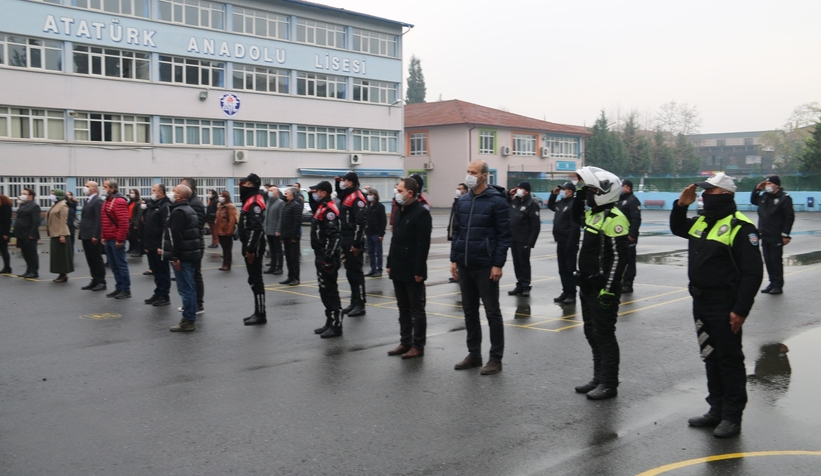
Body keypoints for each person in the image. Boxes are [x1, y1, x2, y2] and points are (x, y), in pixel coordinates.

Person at [671, 172, 763, 438]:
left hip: (725, 304)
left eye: (708, 192)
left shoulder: (740, 227)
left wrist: (741, 310)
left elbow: (752, 273)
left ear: (724, 195)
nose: (703, 196)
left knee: (729, 359)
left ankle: (732, 416)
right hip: (701, 301)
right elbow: (679, 228)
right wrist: (681, 205)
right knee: (710, 355)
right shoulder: (702, 221)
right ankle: (716, 409)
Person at [572, 166, 630, 400]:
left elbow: (619, 258)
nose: (588, 193)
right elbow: (575, 216)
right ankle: (598, 377)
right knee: (591, 332)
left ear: (606, 191)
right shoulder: (593, 214)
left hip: (602, 288)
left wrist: (609, 290)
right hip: (586, 284)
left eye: (591, 189)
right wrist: (578, 190)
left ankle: (609, 383)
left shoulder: (616, 219)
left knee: (604, 334)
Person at [450, 160, 511, 375]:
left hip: (485, 266)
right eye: (467, 171)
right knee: (469, 311)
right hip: (465, 264)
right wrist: (454, 259)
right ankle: (474, 354)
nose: (469, 175)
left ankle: (495, 358)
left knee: (492, 312)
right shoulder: (463, 200)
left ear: (484, 175)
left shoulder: (497, 201)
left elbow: (504, 236)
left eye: (473, 172)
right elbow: (457, 232)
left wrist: (497, 264)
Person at [386, 177, 432, 358]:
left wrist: (419, 271)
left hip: (413, 269)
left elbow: (423, 245)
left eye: (399, 190)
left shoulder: (421, 214)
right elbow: (395, 240)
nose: (397, 194)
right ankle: (405, 342)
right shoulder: (399, 211)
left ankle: (418, 345)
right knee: (403, 307)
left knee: (416, 309)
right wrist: (389, 262)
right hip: (398, 266)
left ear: (410, 193)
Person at [162, 184, 201, 332]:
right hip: (190, 254)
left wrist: (175, 257)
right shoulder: (189, 209)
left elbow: (176, 236)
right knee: (189, 286)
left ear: (180, 196)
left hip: (183, 256)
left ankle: (188, 320)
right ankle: (189, 317)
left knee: (185, 288)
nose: (171, 193)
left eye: (174, 191)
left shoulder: (178, 212)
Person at [309, 181, 343, 338]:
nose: (315, 193)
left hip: (326, 255)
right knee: (324, 289)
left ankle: (336, 325)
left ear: (324, 193)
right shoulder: (321, 207)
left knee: (330, 290)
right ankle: (329, 322)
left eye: (317, 191)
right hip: (320, 253)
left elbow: (333, 235)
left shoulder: (329, 209)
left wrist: (328, 257)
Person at [751, 175, 794, 295]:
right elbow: (754, 200)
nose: (767, 186)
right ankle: (771, 282)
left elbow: (789, 218)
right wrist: (757, 189)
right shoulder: (765, 196)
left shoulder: (784, 198)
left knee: (775, 260)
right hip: (764, 233)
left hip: (776, 234)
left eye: (769, 183)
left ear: (777, 185)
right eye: (766, 184)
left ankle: (778, 285)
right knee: (768, 260)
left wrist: (785, 235)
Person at [335, 172, 368, 317]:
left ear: (352, 182)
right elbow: (340, 194)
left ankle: (360, 303)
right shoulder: (347, 195)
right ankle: (354, 301)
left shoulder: (358, 198)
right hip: (345, 236)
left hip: (353, 238)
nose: (343, 183)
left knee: (356, 272)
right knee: (349, 271)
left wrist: (356, 243)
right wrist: (337, 183)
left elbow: (360, 224)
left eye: (345, 180)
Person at [237, 174, 268, 325]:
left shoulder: (255, 201)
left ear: (252, 185)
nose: (242, 185)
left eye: (246, 183)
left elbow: (256, 228)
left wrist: (250, 250)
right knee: (252, 279)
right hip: (248, 243)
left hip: (253, 246)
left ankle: (261, 314)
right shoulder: (249, 199)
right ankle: (257, 311)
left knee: (256, 279)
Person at [547, 181, 580, 304]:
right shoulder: (561, 203)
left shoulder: (574, 204)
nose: (562, 191)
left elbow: (574, 226)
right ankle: (565, 291)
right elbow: (551, 206)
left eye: (564, 189)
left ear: (570, 192)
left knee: (569, 268)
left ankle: (571, 293)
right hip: (560, 241)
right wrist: (553, 195)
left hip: (569, 242)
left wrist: (571, 244)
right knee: (562, 269)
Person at [507, 181, 541, 297]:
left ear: (527, 191)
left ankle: (526, 286)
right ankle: (519, 285)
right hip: (514, 238)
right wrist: (508, 193)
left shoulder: (532, 204)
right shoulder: (515, 201)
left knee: (524, 264)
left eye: (521, 188)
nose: (518, 190)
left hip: (524, 240)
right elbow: (504, 204)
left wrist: (530, 243)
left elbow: (535, 226)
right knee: (517, 263)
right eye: (518, 187)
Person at [143, 183, 172, 306]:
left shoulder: (165, 206)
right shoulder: (151, 206)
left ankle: (164, 295)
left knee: (163, 271)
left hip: (159, 245)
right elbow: (147, 225)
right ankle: (158, 292)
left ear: (161, 192)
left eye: (153, 190)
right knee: (155, 271)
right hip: (150, 244)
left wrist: (162, 245)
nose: (151, 192)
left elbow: (166, 227)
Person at [180, 178, 206, 314]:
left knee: (195, 275)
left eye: (182, 186)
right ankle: (189, 304)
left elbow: (198, 226)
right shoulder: (187, 203)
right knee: (188, 276)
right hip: (188, 244)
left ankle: (198, 304)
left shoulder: (195, 204)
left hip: (195, 245)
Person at [101, 180, 130, 298]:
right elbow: (105, 221)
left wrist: (120, 239)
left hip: (115, 239)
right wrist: (103, 236)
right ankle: (119, 287)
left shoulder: (119, 201)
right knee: (113, 265)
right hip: (108, 238)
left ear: (112, 189)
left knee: (121, 265)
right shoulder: (107, 201)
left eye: (105, 187)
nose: (103, 189)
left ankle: (126, 289)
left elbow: (123, 223)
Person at [78, 181, 106, 291]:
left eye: (87, 186)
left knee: (96, 259)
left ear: (94, 189)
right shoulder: (88, 200)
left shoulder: (97, 201)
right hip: (85, 234)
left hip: (92, 235)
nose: (85, 188)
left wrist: (96, 235)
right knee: (90, 259)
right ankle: (94, 279)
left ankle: (101, 281)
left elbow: (99, 219)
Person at [616, 179, 642, 293]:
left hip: (628, 236)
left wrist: (632, 234)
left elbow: (636, 219)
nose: (621, 188)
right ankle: (622, 281)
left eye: (623, 186)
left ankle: (628, 283)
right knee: (621, 259)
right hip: (620, 234)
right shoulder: (621, 200)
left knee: (629, 260)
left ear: (628, 188)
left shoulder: (633, 201)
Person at [46, 189, 74, 283]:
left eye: (53, 194)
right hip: (54, 233)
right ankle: (60, 273)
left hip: (60, 233)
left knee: (62, 256)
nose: (51, 196)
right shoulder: (55, 204)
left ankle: (63, 274)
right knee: (57, 256)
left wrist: (62, 235)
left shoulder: (63, 205)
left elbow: (63, 221)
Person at [15, 187, 41, 279]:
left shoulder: (34, 206)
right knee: (25, 253)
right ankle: (28, 270)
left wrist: (32, 234)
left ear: (31, 196)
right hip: (21, 234)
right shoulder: (23, 205)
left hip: (29, 234)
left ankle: (34, 272)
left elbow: (36, 221)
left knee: (32, 254)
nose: (22, 195)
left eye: (24, 194)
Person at [279, 187, 303, 285]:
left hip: (292, 237)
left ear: (292, 195)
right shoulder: (286, 205)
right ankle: (290, 276)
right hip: (286, 235)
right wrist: (282, 235)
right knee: (288, 258)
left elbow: (297, 222)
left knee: (294, 258)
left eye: (286, 193)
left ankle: (296, 278)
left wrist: (294, 236)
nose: (285, 195)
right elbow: (283, 221)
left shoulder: (295, 206)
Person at [447, 183, 468, 282]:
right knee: (456, 251)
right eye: (457, 188)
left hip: (462, 234)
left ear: (465, 190)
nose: (458, 190)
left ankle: (460, 275)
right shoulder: (456, 202)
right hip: (455, 232)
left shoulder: (466, 202)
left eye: (460, 189)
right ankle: (457, 274)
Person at [214, 190, 238, 271]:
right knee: (224, 249)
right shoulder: (220, 206)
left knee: (227, 249)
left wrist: (229, 231)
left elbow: (232, 220)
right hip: (220, 230)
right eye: (220, 195)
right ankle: (224, 264)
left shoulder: (229, 207)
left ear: (226, 198)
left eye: (222, 196)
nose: (220, 197)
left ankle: (227, 264)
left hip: (226, 231)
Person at [365, 189, 387, 277]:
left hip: (376, 233)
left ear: (375, 195)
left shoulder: (380, 206)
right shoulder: (367, 206)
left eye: (371, 194)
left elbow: (383, 221)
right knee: (370, 252)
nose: (369, 195)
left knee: (378, 253)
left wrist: (381, 234)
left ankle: (379, 269)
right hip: (368, 233)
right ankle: (373, 269)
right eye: (368, 194)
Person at [264, 186, 285, 275]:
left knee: (278, 250)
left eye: (271, 190)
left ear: (276, 192)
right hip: (269, 230)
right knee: (272, 249)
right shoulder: (268, 202)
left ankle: (279, 267)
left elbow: (281, 218)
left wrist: (278, 230)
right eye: (269, 190)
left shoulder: (280, 203)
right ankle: (272, 267)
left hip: (276, 231)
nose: (269, 192)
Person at [126, 189, 143, 257]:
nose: (131, 194)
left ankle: (137, 250)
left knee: (136, 237)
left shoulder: (138, 202)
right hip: (130, 220)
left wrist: (136, 224)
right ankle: (131, 248)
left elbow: (139, 214)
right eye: (130, 192)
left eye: (133, 193)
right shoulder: (131, 202)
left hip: (134, 221)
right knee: (130, 236)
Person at [0, 194, 13, 274]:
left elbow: (7, 221)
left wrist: (5, 233)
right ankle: (6, 267)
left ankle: (7, 267)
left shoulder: (6, 208)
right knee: (3, 250)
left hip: (2, 231)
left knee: (4, 250)